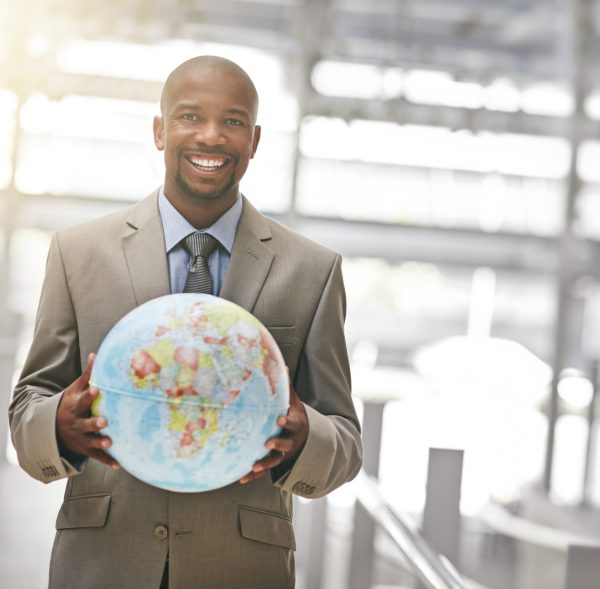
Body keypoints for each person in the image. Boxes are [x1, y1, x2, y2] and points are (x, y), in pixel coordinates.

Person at [9, 56, 362, 589]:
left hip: (242, 570)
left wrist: (306, 435)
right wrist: (57, 425)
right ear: (160, 130)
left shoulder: (312, 271)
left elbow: (346, 440)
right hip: (103, 563)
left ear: (256, 140)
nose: (211, 136)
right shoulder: (77, 253)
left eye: (234, 121)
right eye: (190, 116)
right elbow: (29, 402)